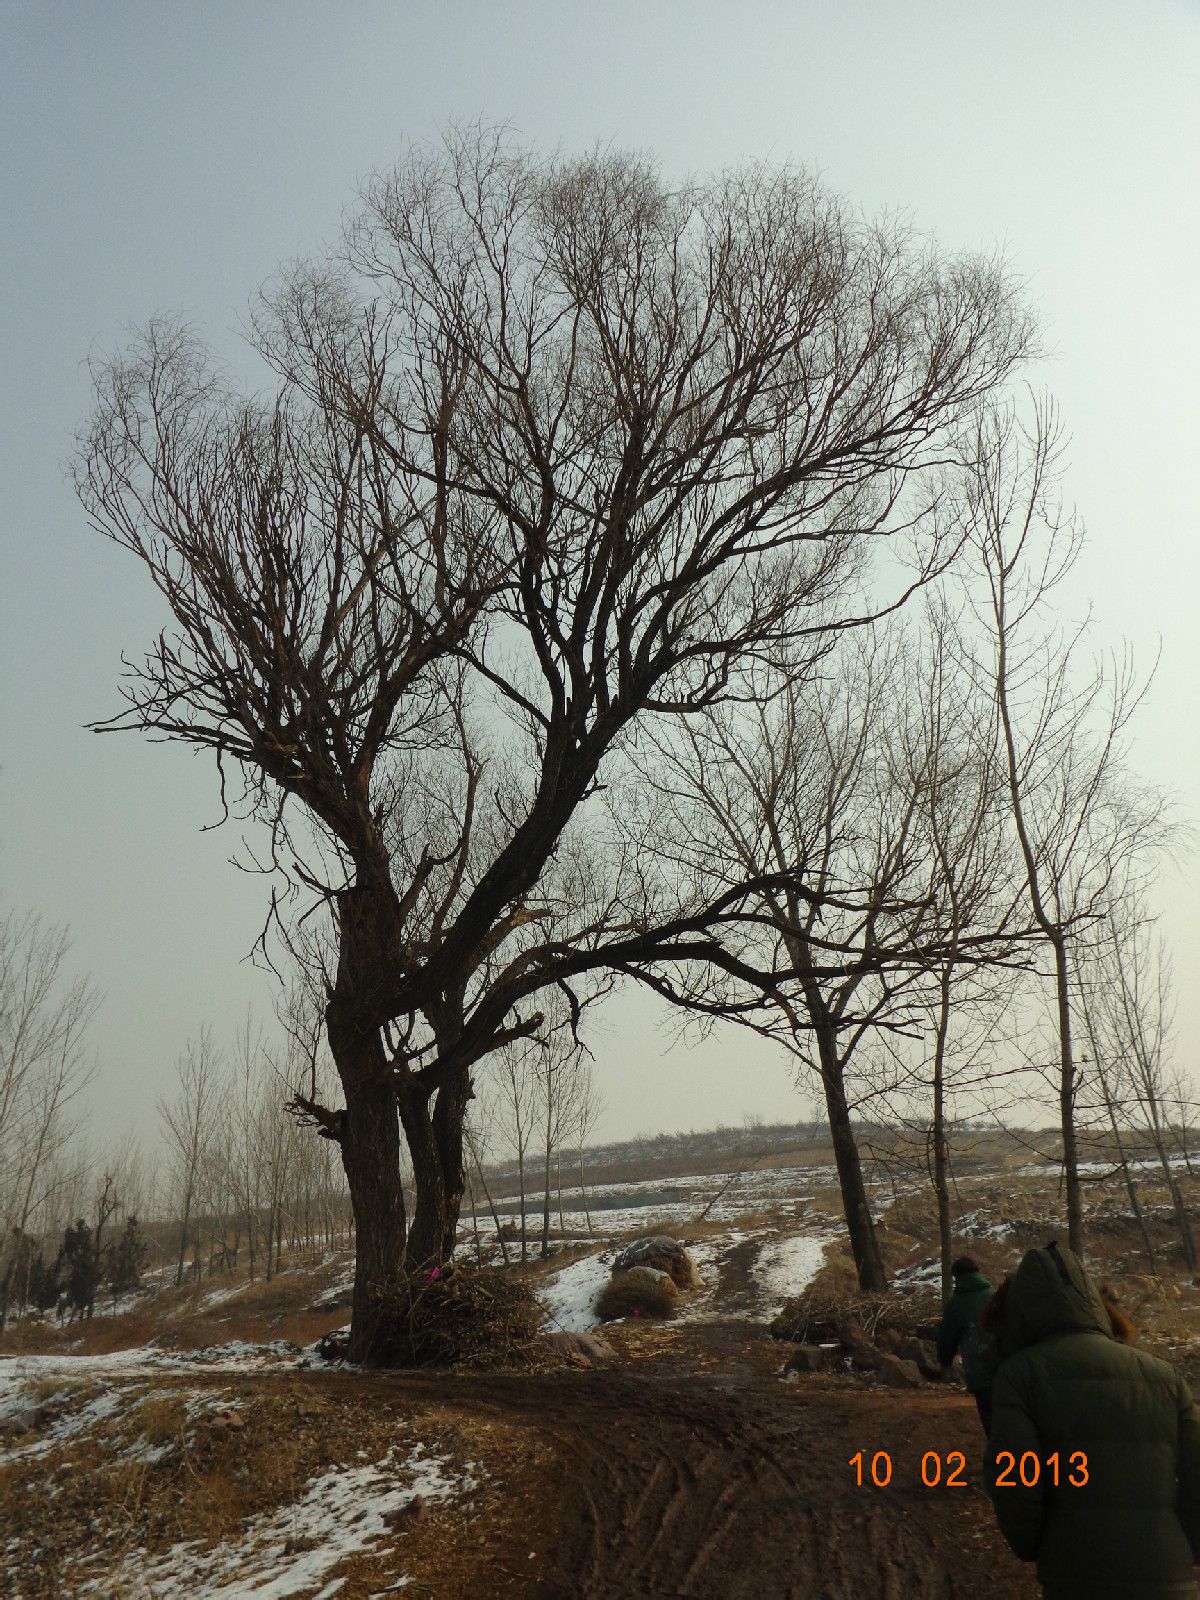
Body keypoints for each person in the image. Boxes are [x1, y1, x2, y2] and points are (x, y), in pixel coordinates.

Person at [984, 1241, 1200, 1600]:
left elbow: (1017, 1477)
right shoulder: (1163, 1375)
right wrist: (1189, 1547)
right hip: (1170, 1580)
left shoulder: (1019, 1377)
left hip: (1076, 1578)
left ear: (1018, 1314)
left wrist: (1032, 1544)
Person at [935, 1254, 994, 1433]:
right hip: (1007, 1368)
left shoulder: (956, 1305)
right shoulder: (994, 1295)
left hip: (979, 1373)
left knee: (990, 1422)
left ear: (956, 1277)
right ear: (977, 1271)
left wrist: (944, 1362)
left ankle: (997, 1456)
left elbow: (946, 1338)